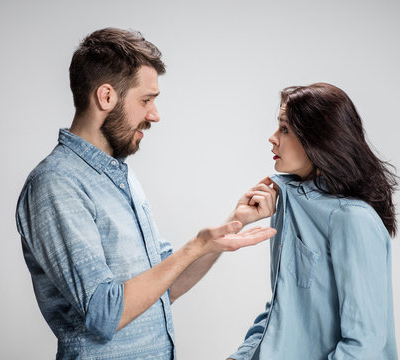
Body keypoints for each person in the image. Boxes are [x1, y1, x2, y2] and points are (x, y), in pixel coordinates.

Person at [15, 27, 278, 360]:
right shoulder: (56, 184)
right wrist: (193, 246)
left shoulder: (120, 175)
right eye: (146, 100)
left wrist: (230, 227)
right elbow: (104, 313)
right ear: (106, 97)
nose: (154, 114)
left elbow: (161, 290)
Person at [228, 83, 399, 359]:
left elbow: (363, 345)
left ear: (318, 138)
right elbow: (284, 307)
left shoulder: (352, 218)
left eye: (284, 129)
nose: (272, 138)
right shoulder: (288, 201)